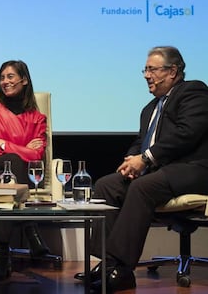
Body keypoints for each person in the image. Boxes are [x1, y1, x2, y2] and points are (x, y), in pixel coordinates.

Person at [74, 46, 208, 292]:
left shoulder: (193, 92)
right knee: (106, 185)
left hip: (193, 169)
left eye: (152, 69)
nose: (147, 75)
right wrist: (133, 157)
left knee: (142, 187)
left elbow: (187, 134)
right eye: (145, 69)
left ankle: (122, 268)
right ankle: (109, 264)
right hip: (161, 172)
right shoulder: (150, 108)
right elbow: (141, 141)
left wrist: (145, 159)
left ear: (173, 71)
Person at [0, 60, 51, 282]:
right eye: (2, 77)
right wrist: (19, 150)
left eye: (10, 77)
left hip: (12, 178)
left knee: (7, 177)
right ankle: (30, 229)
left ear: (24, 80)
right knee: (14, 161)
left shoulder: (37, 118)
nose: (5, 82)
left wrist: (3, 145)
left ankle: (2, 254)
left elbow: (37, 156)